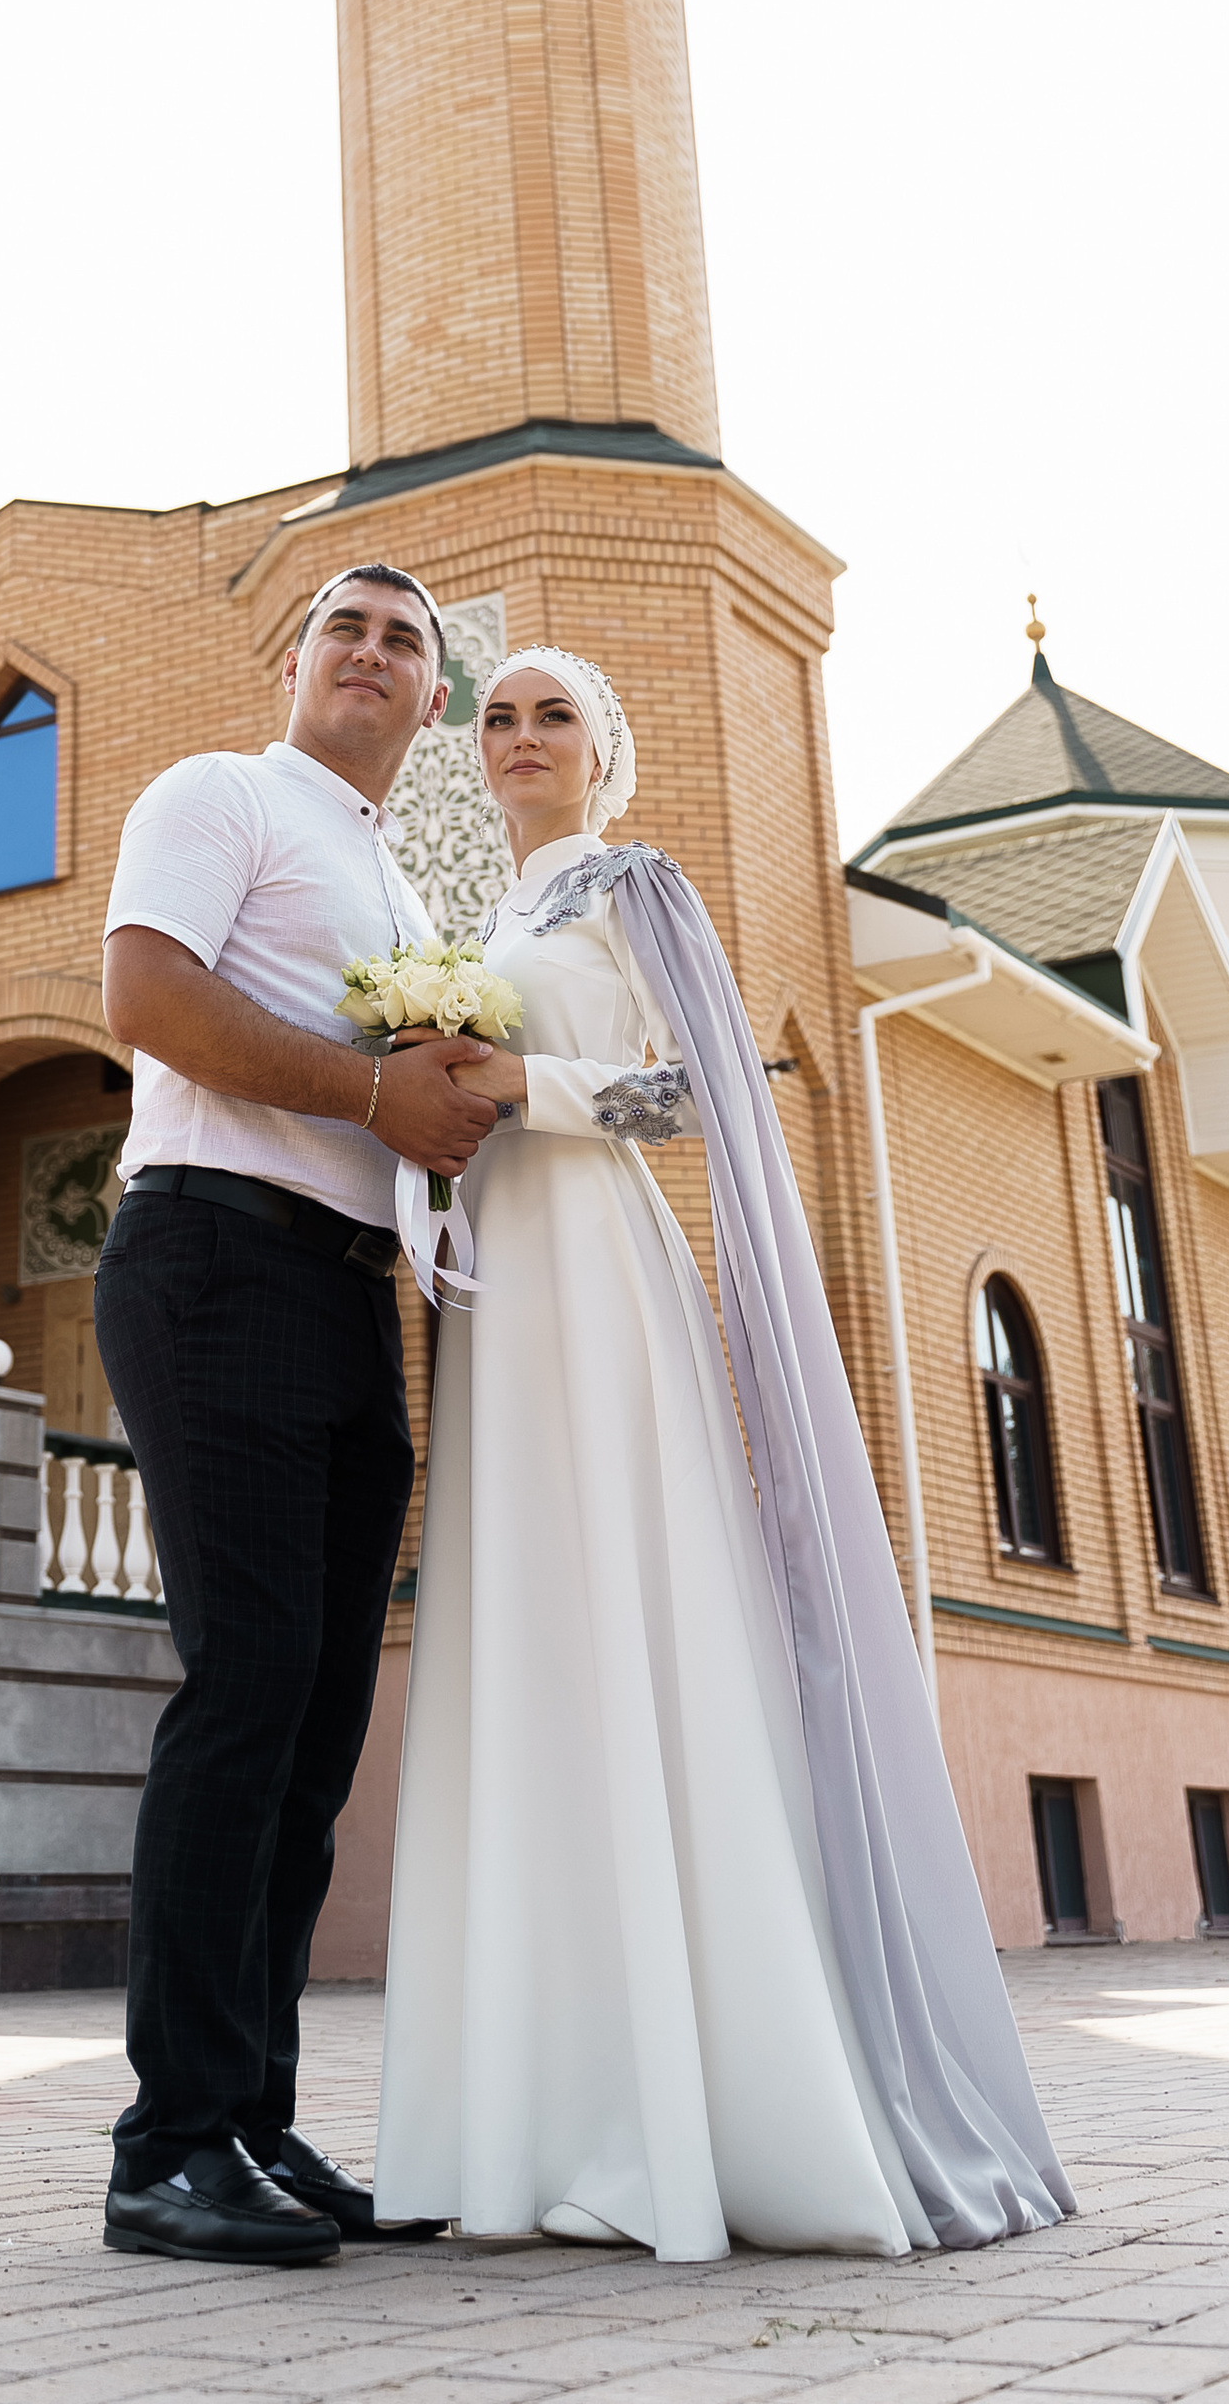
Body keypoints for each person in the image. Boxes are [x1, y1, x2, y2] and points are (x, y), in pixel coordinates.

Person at [374, 647, 1075, 2263]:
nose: (523, 737)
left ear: (607, 751)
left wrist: (516, 1083)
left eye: (556, 715)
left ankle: (702, 2114)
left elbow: (695, 1098)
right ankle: (533, 2116)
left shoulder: (637, 888)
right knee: (532, 1641)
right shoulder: (474, 927)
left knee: (635, 1607)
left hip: (605, 1282)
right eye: (500, 716)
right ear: (471, 756)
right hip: (501, 1305)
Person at [93, 564, 511, 2268]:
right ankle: (167, 2145)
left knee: (324, 1726)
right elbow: (147, 1000)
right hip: (213, 1259)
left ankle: (254, 2122)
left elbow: (421, 1110)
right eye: (346, 626)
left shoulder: (397, 871)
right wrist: (374, 1090)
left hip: (352, 1300)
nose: (371, 651)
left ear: (430, 705)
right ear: (295, 662)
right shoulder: (223, 796)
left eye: (404, 641)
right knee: (249, 1688)